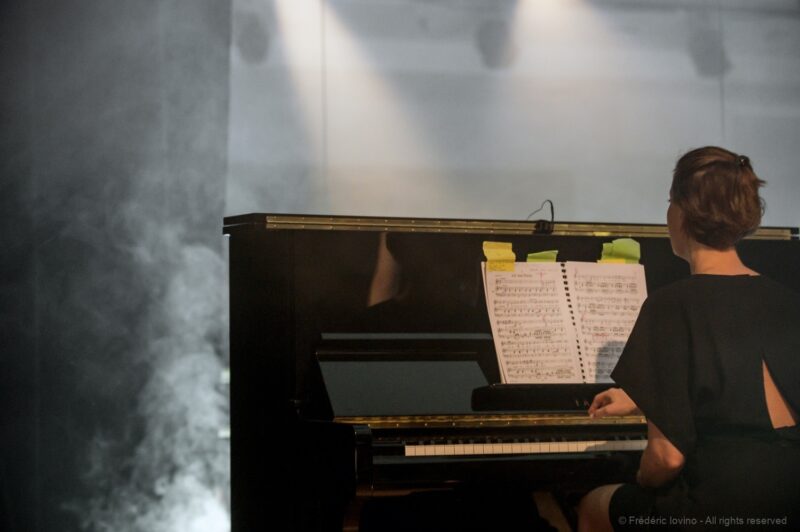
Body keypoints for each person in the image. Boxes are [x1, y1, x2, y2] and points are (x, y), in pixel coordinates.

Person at [577, 146, 800, 531]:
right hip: (789, 501)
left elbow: (667, 459)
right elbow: (742, 388)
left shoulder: (671, 305)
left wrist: (641, 479)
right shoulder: (788, 301)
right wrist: (645, 397)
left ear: (681, 212)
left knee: (594, 504)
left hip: (720, 508)